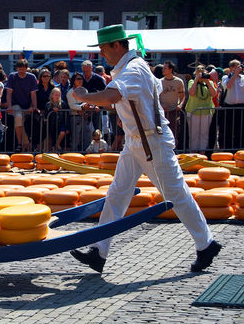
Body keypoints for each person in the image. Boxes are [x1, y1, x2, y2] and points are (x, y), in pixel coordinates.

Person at [69, 24, 220, 274]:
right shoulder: (131, 67)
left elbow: (111, 96)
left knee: (176, 195)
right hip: (137, 141)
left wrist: (84, 96)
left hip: (151, 143)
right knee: (117, 193)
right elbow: (139, 95)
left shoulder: (133, 68)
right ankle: (99, 250)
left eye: (104, 48)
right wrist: (122, 112)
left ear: (117, 45)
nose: (102, 54)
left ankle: (206, 244)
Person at [5, 58, 38, 152]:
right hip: (16, 104)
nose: (21, 70)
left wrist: (34, 106)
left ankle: (28, 145)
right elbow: (9, 93)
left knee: (26, 124)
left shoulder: (31, 77)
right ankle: (20, 143)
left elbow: (33, 94)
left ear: (27, 68)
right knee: (19, 117)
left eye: (23, 68)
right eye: (19, 68)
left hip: (28, 104)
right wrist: (9, 105)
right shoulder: (12, 76)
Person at [185, 65, 216, 153]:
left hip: (207, 111)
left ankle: (203, 151)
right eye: (199, 72)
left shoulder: (209, 82)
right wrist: (196, 80)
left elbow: (214, 94)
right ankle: (193, 151)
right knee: (194, 133)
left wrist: (207, 81)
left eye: (203, 72)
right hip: (193, 110)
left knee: (204, 133)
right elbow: (191, 93)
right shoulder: (191, 81)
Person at [220, 59, 244, 150]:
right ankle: (228, 149)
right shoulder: (225, 78)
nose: (240, 68)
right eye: (237, 66)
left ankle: (240, 149)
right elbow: (228, 86)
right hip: (229, 107)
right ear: (231, 68)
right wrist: (235, 75)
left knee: (240, 130)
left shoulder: (243, 78)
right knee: (229, 130)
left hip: (241, 107)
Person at [160, 60, 185, 146]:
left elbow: (182, 96)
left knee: (174, 132)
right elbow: (156, 97)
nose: (163, 70)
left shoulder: (178, 82)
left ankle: (174, 150)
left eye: (165, 68)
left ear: (171, 69)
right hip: (163, 112)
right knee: (162, 133)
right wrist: (160, 106)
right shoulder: (160, 82)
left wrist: (180, 105)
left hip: (174, 111)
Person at [66, 73, 91, 151]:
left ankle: (85, 153)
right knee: (76, 137)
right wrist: (83, 107)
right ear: (74, 81)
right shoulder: (70, 92)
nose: (80, 80)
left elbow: (87, 101)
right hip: (75, 116)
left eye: (81, 79)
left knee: (86, 136)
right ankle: (74, 154)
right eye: (78, 79)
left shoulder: (85, 90)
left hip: (85, 116)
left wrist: (89, 106)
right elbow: (72, 105)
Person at [34, 69, 55, 149]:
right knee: (40, 131)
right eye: (44, 76)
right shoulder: (37, 87)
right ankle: (39, 149)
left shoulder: (53, 87)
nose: (46, 78)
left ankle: (49, 149)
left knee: (50, 132)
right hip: (39, 112)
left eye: (48, 76)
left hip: (50, 112)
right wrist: (37, 109)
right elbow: (34, 99)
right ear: (40, 77)